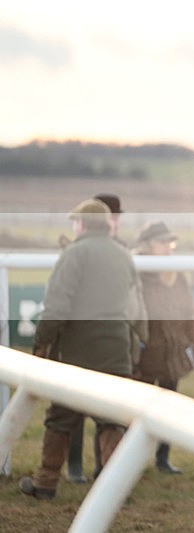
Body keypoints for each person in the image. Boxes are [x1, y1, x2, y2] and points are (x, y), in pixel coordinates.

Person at [21, 199, 139, 500]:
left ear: (82, 224)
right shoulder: (123, 255)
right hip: (117, 349)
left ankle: (45, 482)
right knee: (111, 420)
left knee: (61, 416)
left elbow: (56, 307)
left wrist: (41, 343)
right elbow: (133, 307)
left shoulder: (74, 253)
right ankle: (114, 490)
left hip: (77, 351)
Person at [64, 192, 136, 483]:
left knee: (107, 410)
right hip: (92, 337)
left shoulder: (120, 250)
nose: (115, 221)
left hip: (110, 337)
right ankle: (77, 466)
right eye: (112, 216)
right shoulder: (82, 249)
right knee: (79, 407)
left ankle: (102, 469)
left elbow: (133, 297)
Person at [133, 221, 194, 474]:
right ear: (148, 245)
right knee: (139, 408)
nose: (168, 247)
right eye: (162, 242)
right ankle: (133, 459)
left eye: (169, 243)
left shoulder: (177, 274)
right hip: (145, 352)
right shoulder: (137, 272)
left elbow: (188, 312)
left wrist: (193, 344)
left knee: (168, 408)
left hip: (172, 352)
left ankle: (162, 458)